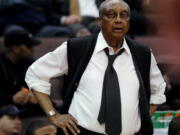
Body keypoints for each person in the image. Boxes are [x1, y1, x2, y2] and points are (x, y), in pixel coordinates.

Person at [25, 0, 166, 135]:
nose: (118, 20)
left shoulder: (143, 53)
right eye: (111, 15)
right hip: (82, 132)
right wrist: (53, 115)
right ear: (99, 21)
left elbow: (158, 90)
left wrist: (144, 121)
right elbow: (36, 73)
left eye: (124, 15)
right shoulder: (76, 48)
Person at [0, 25, 39, 106]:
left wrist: (36, 96)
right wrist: (12, 98)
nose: (32, 49)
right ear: (15, 48)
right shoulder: (2, 64)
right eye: (28, 45)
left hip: (25, 108)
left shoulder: (31, 64)